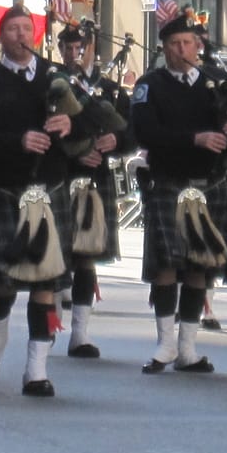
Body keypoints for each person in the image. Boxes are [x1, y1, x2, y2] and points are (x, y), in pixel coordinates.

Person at [0, 0, 74, 396]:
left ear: (36, 34)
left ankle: (37, 370)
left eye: (27, 29)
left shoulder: (56, 79)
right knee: (4, 283)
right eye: (13, 30)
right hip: (5, 188)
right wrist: (18, 141)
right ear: (1, 37)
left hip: (50, 191)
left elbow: (89, 131)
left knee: (46, 281)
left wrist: (71, 124)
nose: (21, 36)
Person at [129, 10, 227, 377]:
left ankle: (188, 348)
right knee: (166, 265)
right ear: (164, 48)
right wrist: (195, 139)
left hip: (207, 184)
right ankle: (165, 342)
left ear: (198, 45)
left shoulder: (216, 85)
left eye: (187, 43)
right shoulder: (150, 85)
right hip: (169, 181)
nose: (181, 49)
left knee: (199, 266)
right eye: (174, 44)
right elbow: (145, 132)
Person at [57, 22, 133, 359]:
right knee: (53, 255)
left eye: (80, 47)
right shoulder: (53, 85)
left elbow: (132, 134)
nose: (74, 53)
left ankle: (80, 334)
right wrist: (75, 150)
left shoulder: (111, 90)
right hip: (59, 177)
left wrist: (114, 141)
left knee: (86, 259)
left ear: (91, 49)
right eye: (67, 48)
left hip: (95, 180)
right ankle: (47, 323)